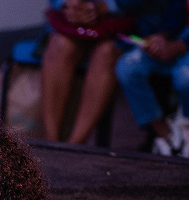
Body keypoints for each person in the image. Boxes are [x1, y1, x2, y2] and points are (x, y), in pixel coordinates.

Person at [40, 0, 174, 144]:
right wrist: (70, 4)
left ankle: (76, 143)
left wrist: (108, 6)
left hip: (131, 20)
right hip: (74, 18)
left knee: (106, 53)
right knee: (60, 45)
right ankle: (51, 141)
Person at [114, 0, 189, 156]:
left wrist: (181, 45)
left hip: (183, 44)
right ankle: (166, 135)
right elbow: (175, 10)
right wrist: (162, 36)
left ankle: (186, 130)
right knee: (128, 67)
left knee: (185, 77)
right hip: (177, 34)